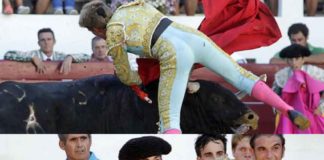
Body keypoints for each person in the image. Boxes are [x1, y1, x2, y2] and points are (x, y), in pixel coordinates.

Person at [79, 0, 309, 134]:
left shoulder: (113, 33)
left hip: (172, 54)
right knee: (242, 76)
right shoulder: (134, 6)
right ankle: (287, 109)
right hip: (194, 38)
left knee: (170, 119)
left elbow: (123, 72)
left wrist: (138, 80)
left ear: (95, 29)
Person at [273, 44, 324, 133]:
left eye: (297, 59)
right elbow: (274, 96)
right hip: (290, 114)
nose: (294, 62)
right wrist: (278, 108)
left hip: (313, 112)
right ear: (287, 60)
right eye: (290, 59)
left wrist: (321, 108)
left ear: (303, 59)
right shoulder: (281, 75)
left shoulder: (315, 73)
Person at [4, 28, 90, 74]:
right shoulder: (33, 54)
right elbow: (8, 54)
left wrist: (70, 57)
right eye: (43, 40)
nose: (46, 43)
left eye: (49, 39)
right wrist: (32, 57)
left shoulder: (60, 56)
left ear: (54, 41)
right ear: (38, 43)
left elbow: (87, 57)